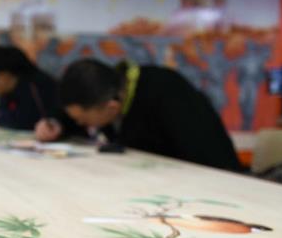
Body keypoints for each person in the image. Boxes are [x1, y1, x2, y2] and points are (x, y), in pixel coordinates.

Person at [42, 58, 242, 171]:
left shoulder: (165, 92)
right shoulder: (110, 89)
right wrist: (56, 123)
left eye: (82, 121)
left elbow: (210, 160)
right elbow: (73, 114)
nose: (81, 125)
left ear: (112, 107)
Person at [0, 45, 74, 134]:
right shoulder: (10, 90)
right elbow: (0, 111)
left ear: (2, 76)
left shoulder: (36, 86)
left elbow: (24, 121)